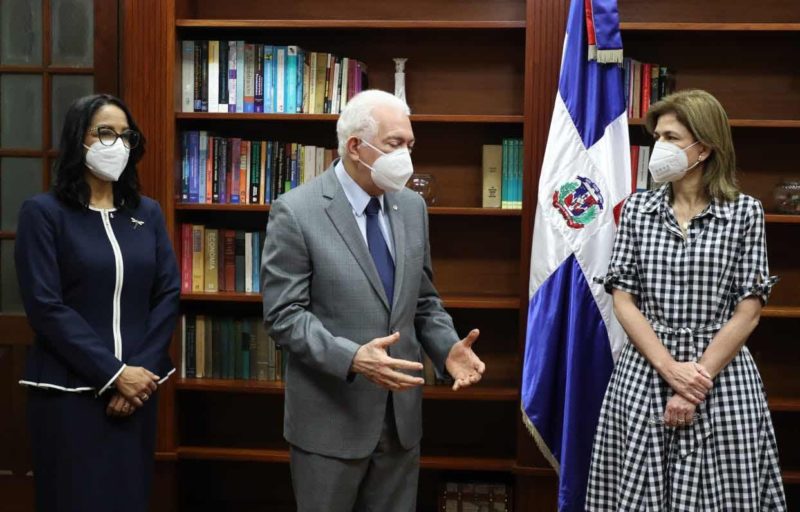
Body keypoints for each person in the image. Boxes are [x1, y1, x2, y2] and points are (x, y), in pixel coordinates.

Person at [261, 89, 486, 511]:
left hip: (401, 423)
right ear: (355, 146)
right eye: (394, 144)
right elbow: (284, 315)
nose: (406, 156)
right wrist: (352, 358)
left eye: (410, 145)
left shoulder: (412, 207)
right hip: (330, 421)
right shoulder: (296, 211)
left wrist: (447, 349)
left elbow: (423, 301)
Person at [586, 89, 787, 510]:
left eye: (672, 137)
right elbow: (624, 299)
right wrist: (669, 368)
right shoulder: (639, 209)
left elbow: (749, 309)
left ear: (705, 146)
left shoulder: (744, 212)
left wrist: (693, 383)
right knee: (639, 493)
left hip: (720, 377)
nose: (660, 146)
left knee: (725, 494)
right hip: (645, 372)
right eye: (658, 136)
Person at [15, 94, 180, 511]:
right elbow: (45, 306)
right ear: (78, 140)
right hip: (69, 395)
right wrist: (114, 374)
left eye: (126, 135)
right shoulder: (43, 213)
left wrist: (138, 376)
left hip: (139, 393)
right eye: (105, 132)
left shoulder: (147, 212)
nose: (117, 144)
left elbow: (167, 293)